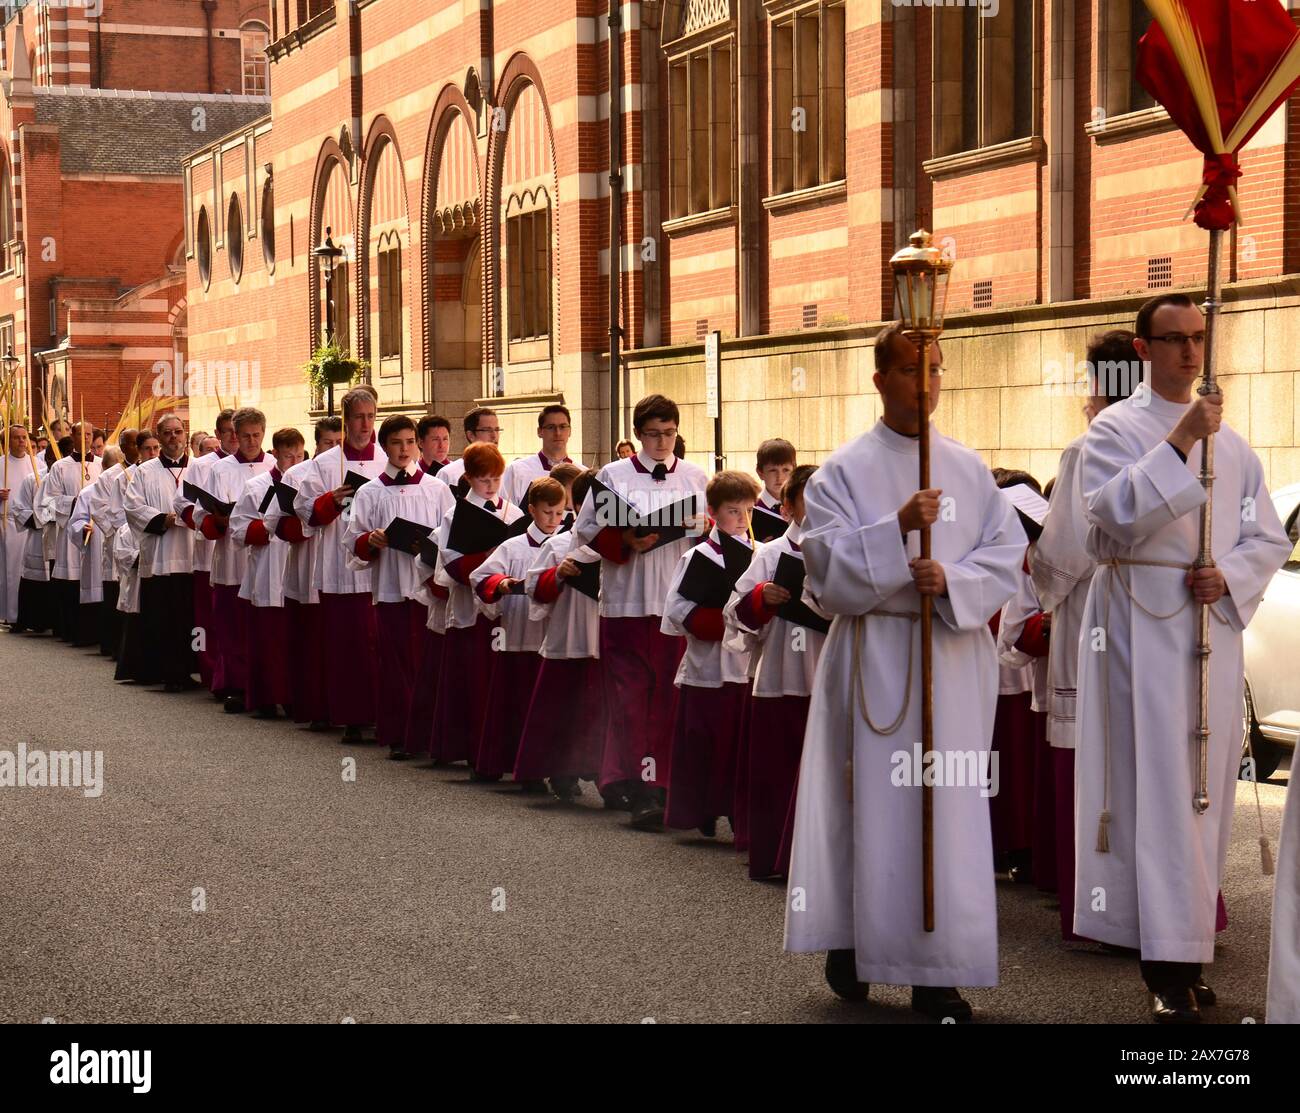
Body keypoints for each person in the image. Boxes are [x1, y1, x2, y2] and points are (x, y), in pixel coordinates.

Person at [784, 321, 1025, 1022]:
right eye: (914, 371)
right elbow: (824, 574)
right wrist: (893, 528)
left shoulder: (969, 468)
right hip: (874, 660)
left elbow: (1005, 554)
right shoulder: (841, 472)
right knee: (872, 807)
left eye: (938, 370)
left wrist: (947, 578)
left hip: (948, 660)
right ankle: (857, 937)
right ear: (880, 378)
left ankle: (937, 966)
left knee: (943, 810)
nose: (929, 385)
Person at [1072, 293, 1290, 1024]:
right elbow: (1107, 518)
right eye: (1174, 340)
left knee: (1206, 792)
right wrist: (1178, 445)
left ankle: (1190, 948)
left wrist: (1227, 573)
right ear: (1142, 349)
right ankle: (1162, 960)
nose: (1191, 353)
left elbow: (1267, 535)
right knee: (1159, 791)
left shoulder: (1233, 444)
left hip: (1210, 628)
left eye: (1199, 337)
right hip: (1139, 628)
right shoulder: (1116, 428)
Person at [1030, 328, 1142, 941]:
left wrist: (1035, 569)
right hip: (1159, 616)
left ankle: (1100, 910)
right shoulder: (1180, 438)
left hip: (1095, 611)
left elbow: (1066, 551)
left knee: (1092, 755)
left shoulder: (1088, 447)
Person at [572, 393, 708, 827]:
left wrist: (702, 527)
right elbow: (585, 529)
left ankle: (661, 784)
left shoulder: (694, 476)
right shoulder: (613, 475)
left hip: (670, 605)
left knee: (667, 700)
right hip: (626, 602)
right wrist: (625, 540)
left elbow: (709, 536)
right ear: (638, 434)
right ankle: (635, 785)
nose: (661, 442)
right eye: (652, 434)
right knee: (630, 701)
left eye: (669, 433)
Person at [725, 463, 827, 880]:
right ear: (786, 507)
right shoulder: (769, 554)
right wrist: (761, 598)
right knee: (778, 768)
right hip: (782, 674)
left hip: (829, 673)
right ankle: (775, 855)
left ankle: (821, 861)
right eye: (807, 500)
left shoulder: (849, 553)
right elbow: (734, 615)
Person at [344, 414, 455, 755]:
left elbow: (451, 536)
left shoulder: (436, 489)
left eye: (409, 441)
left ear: (417, 443)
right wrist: (371, 540)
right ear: (385, 446)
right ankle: (399, 735)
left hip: (427, 589)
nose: (404, 449)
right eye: (396, 442)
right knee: (393, 662)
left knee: (427, 662)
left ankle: (428, 735)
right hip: (391, 586)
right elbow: (353, 541)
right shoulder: (370, 491)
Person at [661, 470, 759, 838]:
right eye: (734, 511)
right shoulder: (698, 556)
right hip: (708, 665)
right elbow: (676, 610)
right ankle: (700, 809)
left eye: (748, 510)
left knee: (737, 745)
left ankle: (735, 809)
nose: (743, 520)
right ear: (714, 512)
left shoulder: (761, 554)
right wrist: (724, 622)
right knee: (703, 740)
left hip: (745, 666)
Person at [292, 386, 386, 742]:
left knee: (377, 645)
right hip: (338, 565)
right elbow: (303, 512)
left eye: (370, 416)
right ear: (346, 421)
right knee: (345, 646)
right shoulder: (325, 463)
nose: (365, 424)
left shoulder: (387, 460)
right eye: (359, 417)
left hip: (379, 567)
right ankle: (348, 715)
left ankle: (381, 713)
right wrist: (329, 501)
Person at [431, 441, 525, 772]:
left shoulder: (513, 513)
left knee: (502, 685)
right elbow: (452, 565)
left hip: (504, 608)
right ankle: (474, 751)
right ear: (469, 478)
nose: (491, 487)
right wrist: (488, 556)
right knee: (473, 682)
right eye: (484, 480)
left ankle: (505, 754)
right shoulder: (454, 514)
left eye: (496, 479)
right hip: (469, 609)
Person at [470, 475, 568, 784]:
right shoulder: (512, 547)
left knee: (549, 711)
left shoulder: (568, 546)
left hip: (553, 637)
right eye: (546, 512)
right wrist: (502, 583)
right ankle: (501, 763)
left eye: (559, 513)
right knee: (511, 705)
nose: (553, 520)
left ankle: (548, 770)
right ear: (531, 510)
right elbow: (481, 577)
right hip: (518, 633)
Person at [516, 468, 605, 801]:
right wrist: (558, 574)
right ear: (578, 507)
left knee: (598, 715)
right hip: (567, 638)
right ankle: (546, 768)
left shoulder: (624, 548)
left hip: (603, 640)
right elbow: (533, 589)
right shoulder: (558, 545)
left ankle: (604, 777)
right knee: (557, 711)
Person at [189, 407, 276, 714]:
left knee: (264, 629)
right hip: (231, 559)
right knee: (232, 627)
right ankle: (236, 685)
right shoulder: (220, 469)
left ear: (263, 434)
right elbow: (200, 514)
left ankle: (266, 686)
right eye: (245, 436)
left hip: (268, 559)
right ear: (234, 436)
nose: (251, 442)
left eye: (256, 435)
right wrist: (220, 519)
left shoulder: (275, 466)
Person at [267, 417, 340, 729]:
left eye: (339, 443)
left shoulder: (362, 472)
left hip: (343, 572)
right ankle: (311, 705)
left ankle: (343, 706)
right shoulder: (296, 476)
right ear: (316, 445)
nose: (334, 450)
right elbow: (276, 523)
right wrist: (307, 523)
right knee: (309, 647)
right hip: (305, 567)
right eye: (327, 443)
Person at [230, 427, 307, 719]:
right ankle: (264, 696)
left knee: (291, 639)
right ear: (275, 455)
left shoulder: (308, 483)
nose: (295, 462)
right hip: (267, 567)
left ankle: (292, 696)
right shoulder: (257, 485)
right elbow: (238, 528)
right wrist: (267, 526)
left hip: (296, 563)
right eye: (289, 456)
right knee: (267, 639)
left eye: (300, 456)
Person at [123, 415, 198, 690]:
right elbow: (132, 508)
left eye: (178, 432)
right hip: (161, 557)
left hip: (194, 555)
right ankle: (168, 672)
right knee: (164, 619)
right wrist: (164, 519)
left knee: (191, 617)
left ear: (185, 435)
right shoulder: (144, 471)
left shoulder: (199, 469)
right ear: (159, 435)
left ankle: (192, 668)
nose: (173, 437)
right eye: (167, 433)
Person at [176, 408, 235, 693]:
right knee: (207, 621)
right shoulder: (201, 465)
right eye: (228, 431)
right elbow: (183, 503)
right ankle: (210, 670)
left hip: (245, 555)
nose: (235, 437)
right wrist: (204, 521)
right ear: (218, 433)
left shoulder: (262, 464)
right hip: (208, 553)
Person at [41, 424, 101, 645]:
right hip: (70, 532)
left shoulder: (102, 465)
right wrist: (74, 501)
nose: (85, 438)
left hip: (96, 531)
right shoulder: (60, 467)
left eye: (88, 434)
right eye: (80, 434)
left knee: (95, 579)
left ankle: (93, 631)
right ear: (72, 437)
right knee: (71, 582)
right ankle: (71, 629)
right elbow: (48, 500)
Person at [72, 446, 127, 656]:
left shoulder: (131, 483)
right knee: (109, 593)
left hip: (124, 544)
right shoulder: (89, 492)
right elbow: (75, 521)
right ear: (103, 467)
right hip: (103, 544)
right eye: (112, 467)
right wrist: (81, 528)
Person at [500, 404, 575, 508]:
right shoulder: (517, 470)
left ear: (570, 431)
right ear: (539, 432)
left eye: (563, 427)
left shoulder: (581, 474)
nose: (557, 433)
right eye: (551, 427)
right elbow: (506, 514)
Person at [0, 423, 37, 627]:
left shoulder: (36, 465)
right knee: (11, 571)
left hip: (32, 524)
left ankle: (31, 614)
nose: (22, 441)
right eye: (17, 437)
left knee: (31, 570)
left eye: (24, 437)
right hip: (7, 523)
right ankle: (11, 613)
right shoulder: (1, 464)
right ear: (7, 441)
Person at [436, 406, 502, 493]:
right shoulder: (449, 474)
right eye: (487, 430)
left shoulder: (504, 471)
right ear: (470, 435)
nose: (494, 436)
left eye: (496, 430)